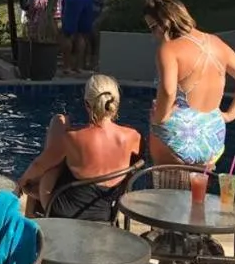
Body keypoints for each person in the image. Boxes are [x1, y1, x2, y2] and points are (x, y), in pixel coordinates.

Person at [144, 0, 235, 168]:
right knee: (199, 192)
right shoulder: (216, 43)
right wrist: (229, 115)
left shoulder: (169, 49)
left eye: (153, 28)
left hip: (177, 139)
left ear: (165, 22)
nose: (154, 35)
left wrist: (160, 118)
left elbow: (168, 90)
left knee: (162, 190)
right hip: (213, 140)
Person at [15, 74, 142, 219]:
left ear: (87, 104)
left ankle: (31, 213)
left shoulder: (72, 138)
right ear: (116, 103)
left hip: (64, 211)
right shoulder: (134, 137)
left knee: (58, 125)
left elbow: (39, 165)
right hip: (104, 213)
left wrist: (21, 182)